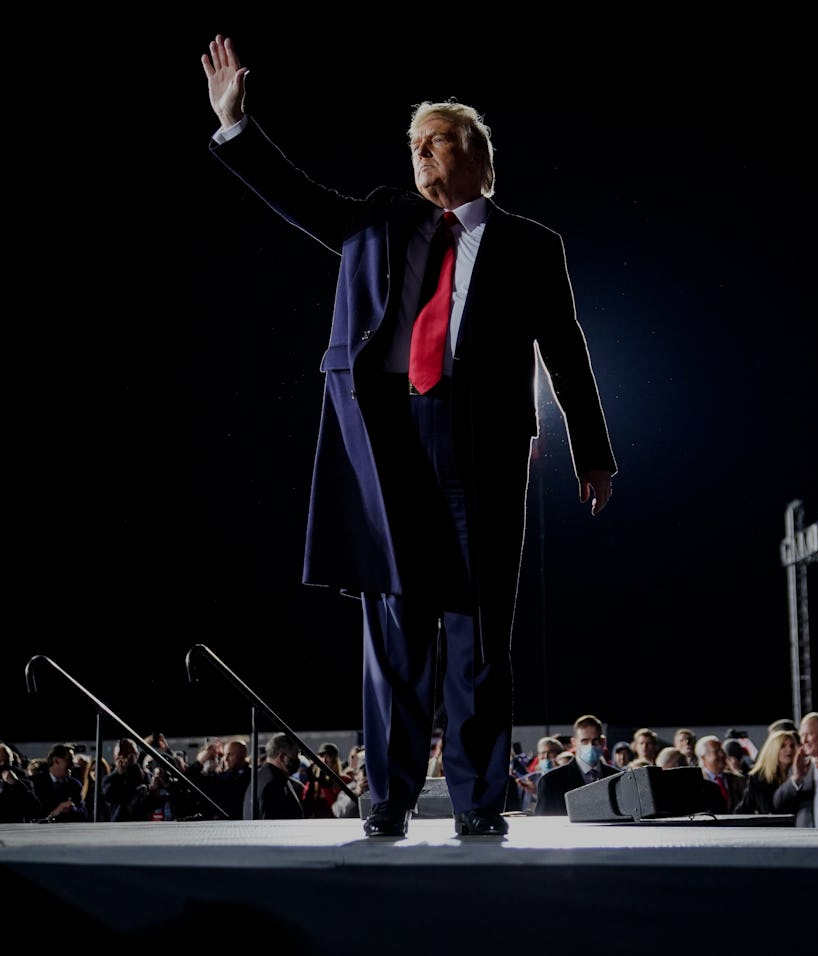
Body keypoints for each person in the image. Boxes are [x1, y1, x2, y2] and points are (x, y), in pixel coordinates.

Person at [202, 35, 617, 840]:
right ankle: (385, 801)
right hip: (390, 443)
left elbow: (565, 348)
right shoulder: (379, 219)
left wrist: (591, 451)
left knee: (478, 632)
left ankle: (476, 803)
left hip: (484, 446)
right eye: (413, 143)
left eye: (433, 140)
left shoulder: (532, 244)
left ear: (474, 154)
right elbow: (298, 197)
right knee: (395, 628)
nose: (419, 153)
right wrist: (235, 127)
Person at [534, 715, 621, 816]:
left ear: (603, 742)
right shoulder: (551, 781)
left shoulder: (618, 778)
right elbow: (544, 826)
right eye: (584, 741)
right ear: (574, 743)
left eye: (595, 741)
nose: (590, 746)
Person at [772, 711, 818, 827]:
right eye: (802, 735)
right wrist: (796, 778)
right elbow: (778, 803)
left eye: (809, 734)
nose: (804, 740)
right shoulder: (800, 767)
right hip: (810, 841)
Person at [734, 728, 798, 816]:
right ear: (773, 750)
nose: (789, 750)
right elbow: (743, 811)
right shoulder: (758, 778)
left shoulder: (803, 775)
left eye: (792, 746)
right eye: (782, 746)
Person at [243, 732, 304, 820]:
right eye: (295, 756)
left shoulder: (262, 776)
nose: (298, 760)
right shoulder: (273, 784)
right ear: (282, 757)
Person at [29, 743, 87, 822]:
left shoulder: (74, 784)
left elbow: (83, 813)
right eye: (69, 760)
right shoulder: (34, 783)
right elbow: (31, 814)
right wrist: (55, 813)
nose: (72, 764)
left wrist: (73, 809)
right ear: (56, 760)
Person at [695, 734, 747, 814]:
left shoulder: (740, 781)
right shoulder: (697, 783)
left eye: (722, 750)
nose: (722, 755)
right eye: (716, 751)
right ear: (703, 757)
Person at [0, 741, 42, 822]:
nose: (2, 764)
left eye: (6, 761)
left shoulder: (24, 783)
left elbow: (35, 808)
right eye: (0, 761)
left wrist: (16, 783)